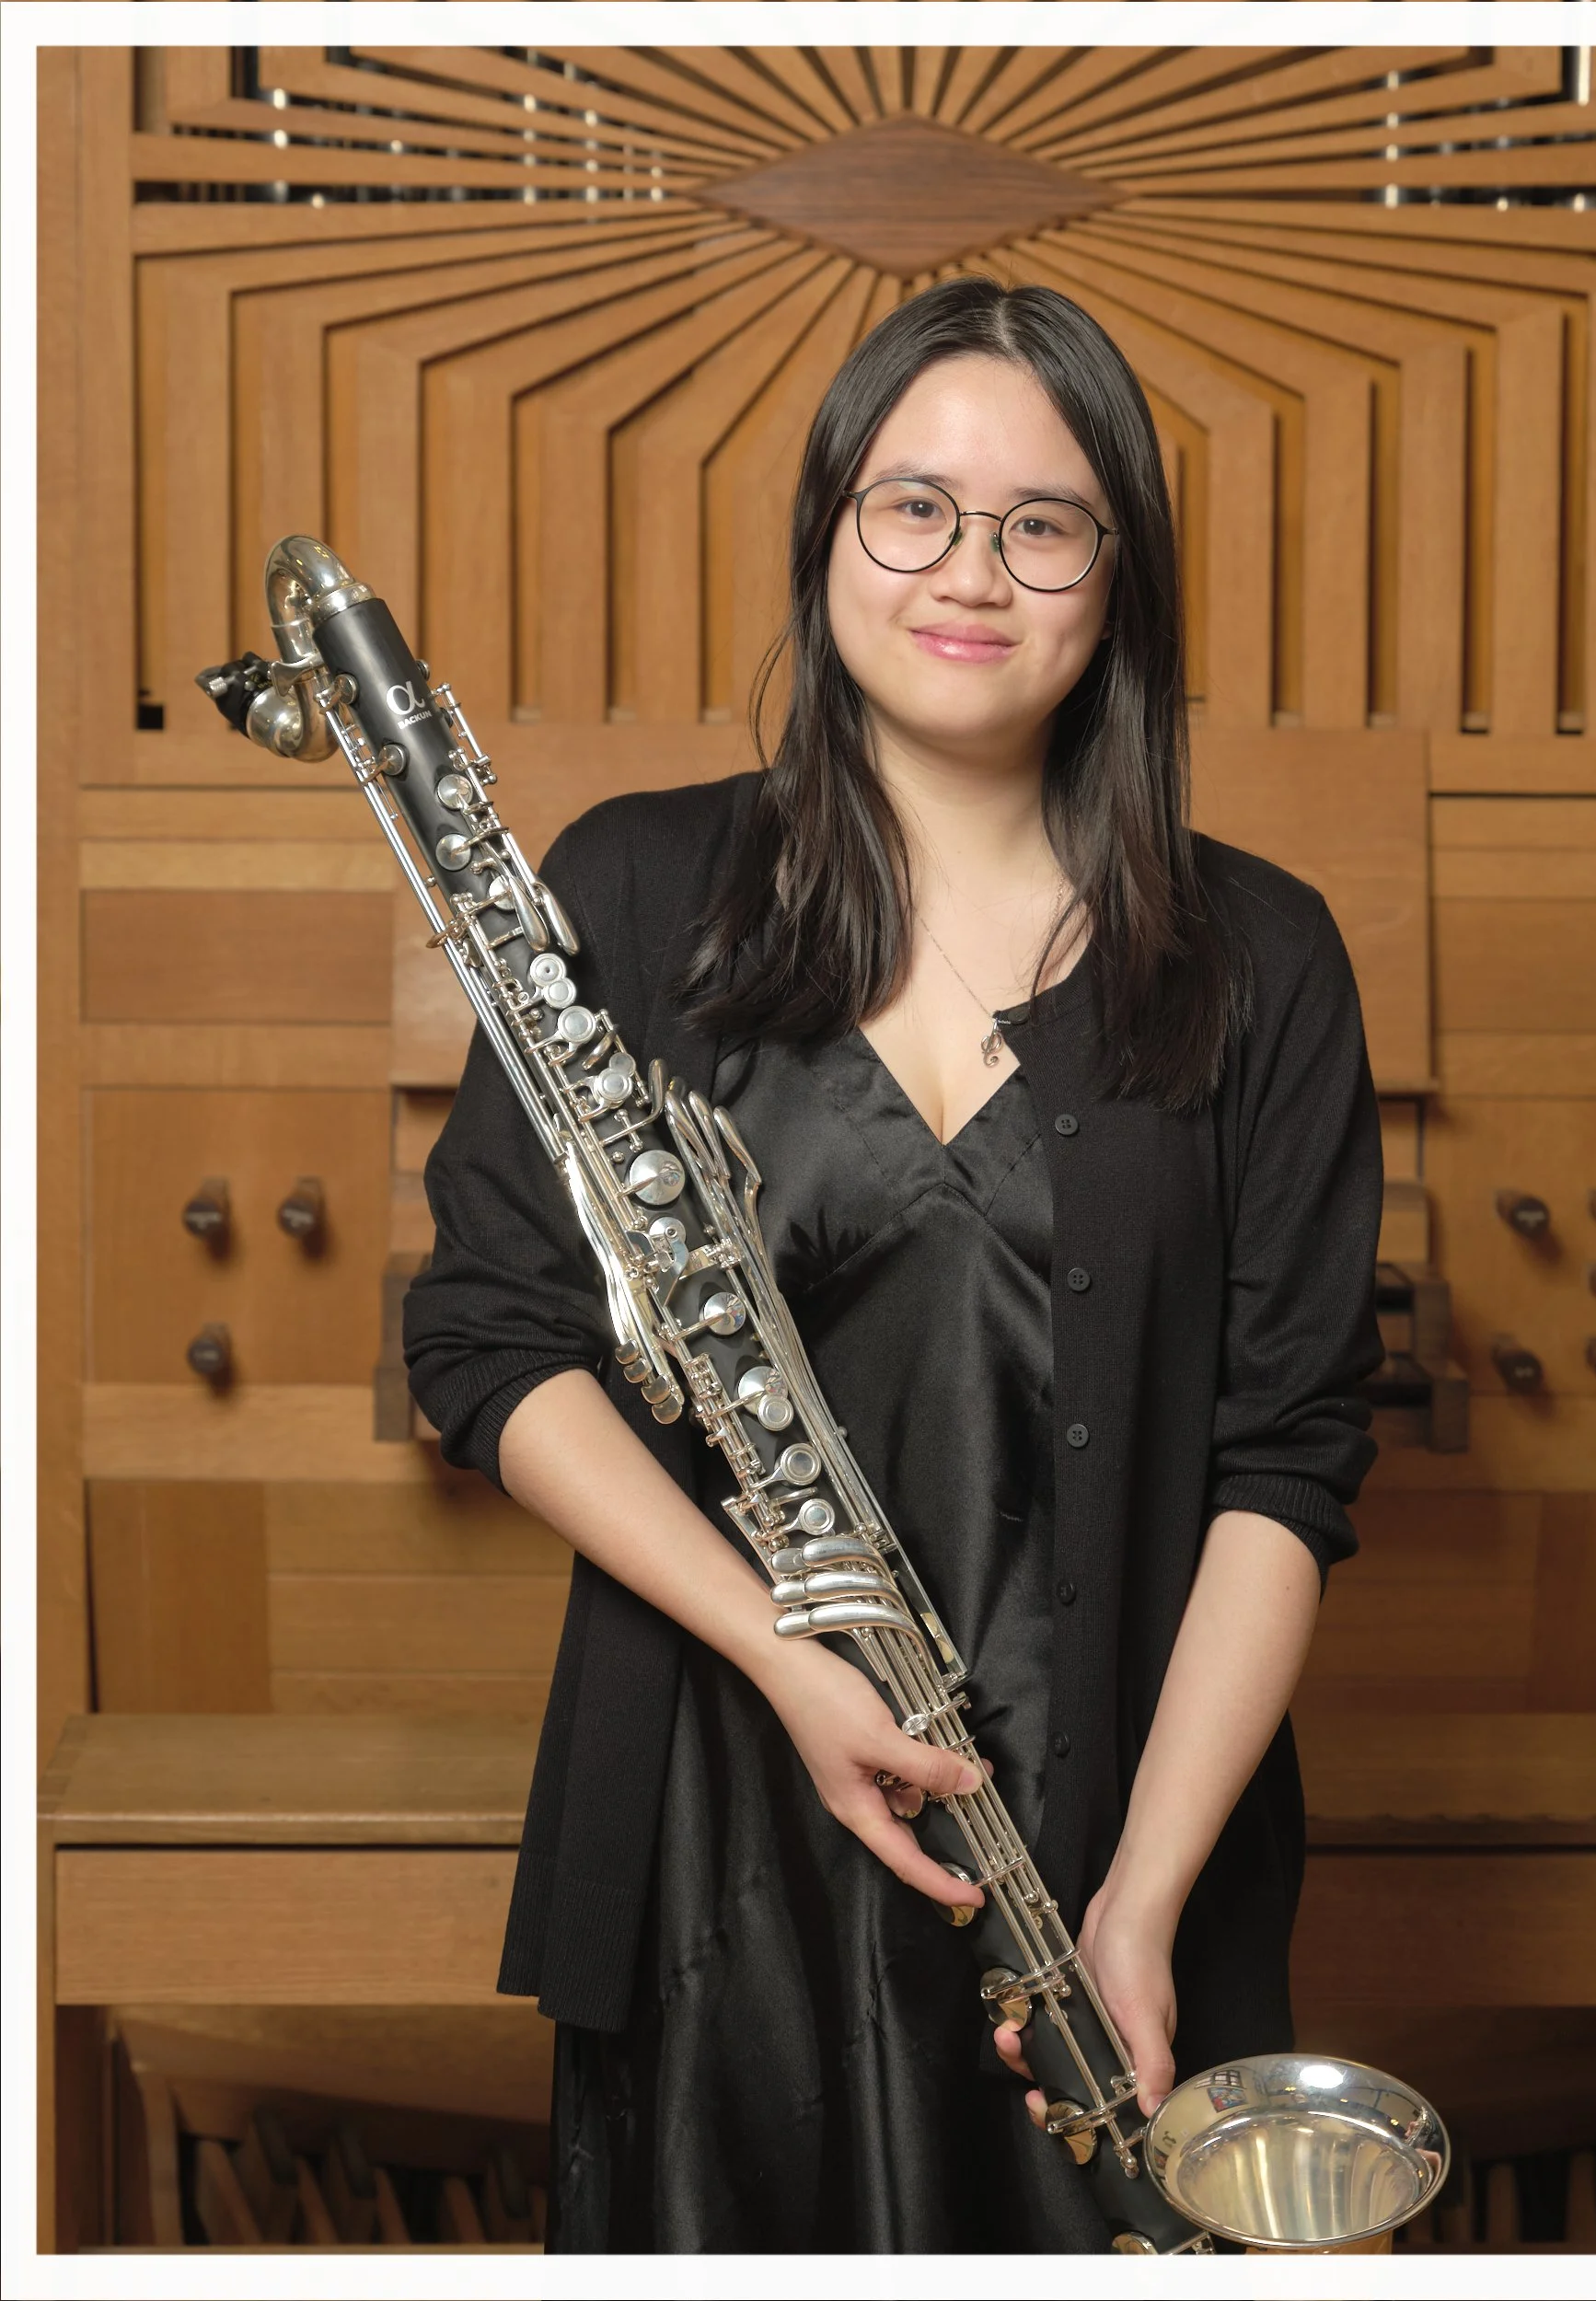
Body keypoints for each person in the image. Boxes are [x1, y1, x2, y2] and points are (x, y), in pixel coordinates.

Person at [402, 277, 1383, 2255]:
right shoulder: (632, 885)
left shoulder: (1263, 954)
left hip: (1110, 1825)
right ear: (830, 532)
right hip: (720, 1814)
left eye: (1043, 522)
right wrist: (777, 1651)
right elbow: (489, 1335)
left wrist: (1136, 1905)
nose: (972, 573)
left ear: (1119, 575)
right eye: (911, 506)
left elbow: (1287, 1458)